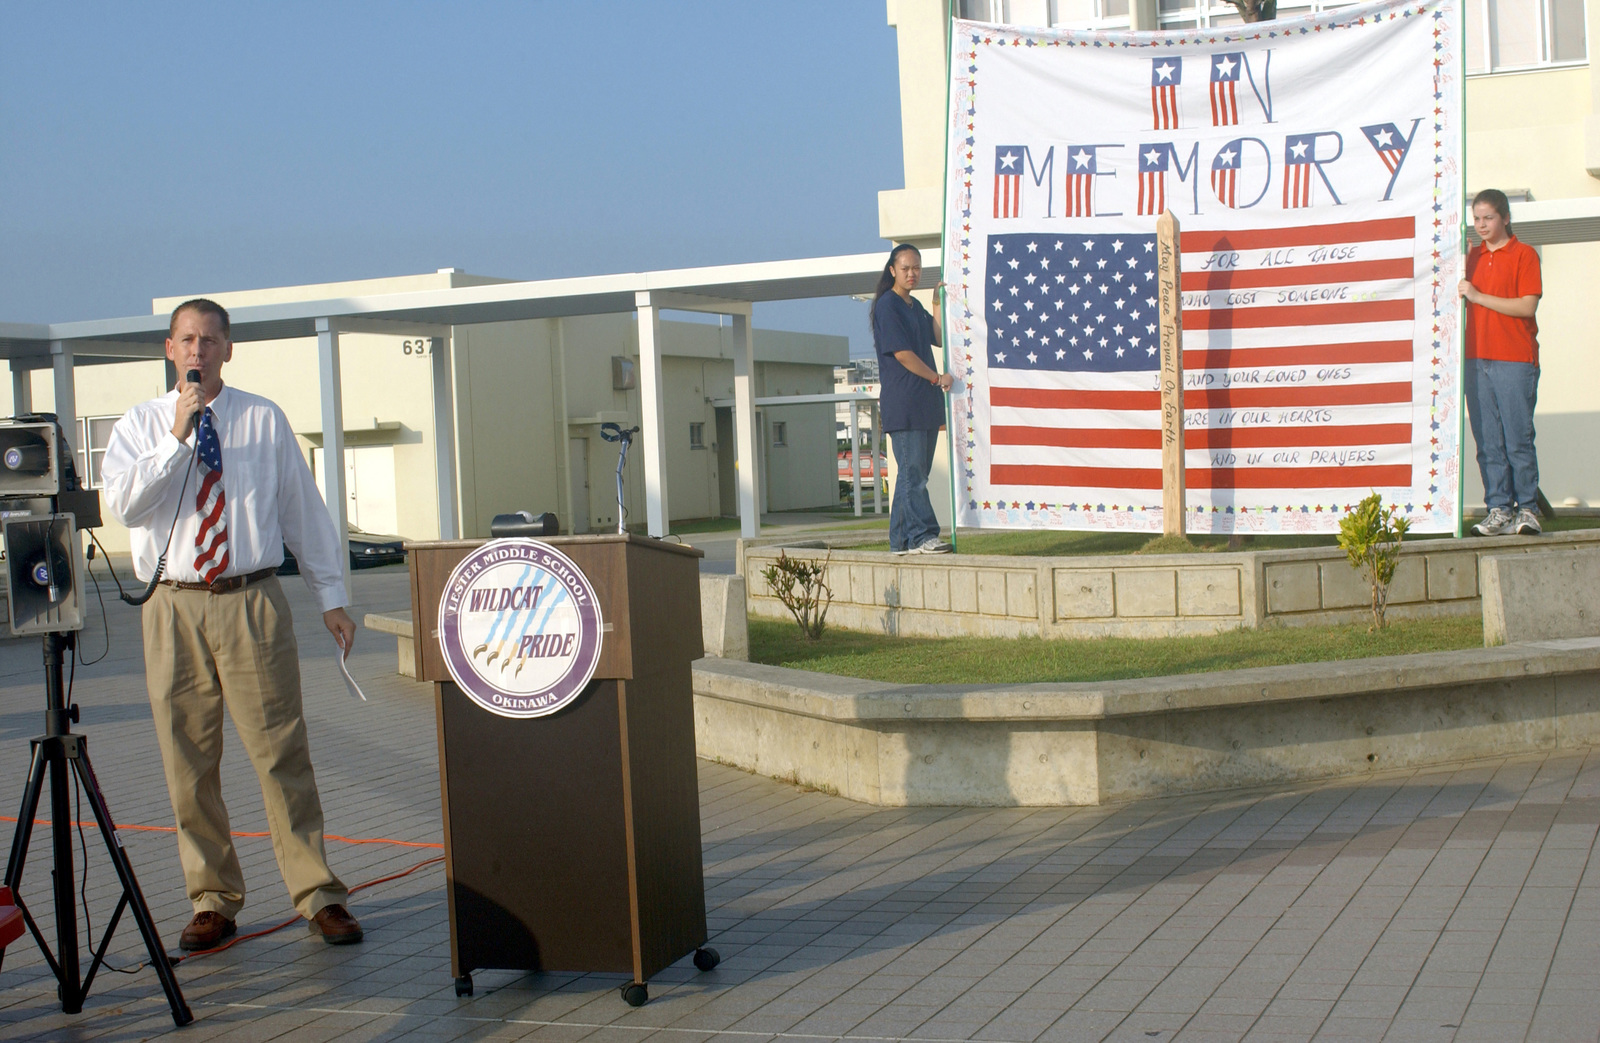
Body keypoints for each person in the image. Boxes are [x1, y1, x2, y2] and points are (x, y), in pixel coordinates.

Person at [101, 299, 364, 951]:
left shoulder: (263, 419)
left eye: (210, 340)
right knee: (187, 758)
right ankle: (211, 897)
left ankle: (319, 893)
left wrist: (330, 594)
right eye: (187, 339)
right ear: (169, 349)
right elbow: (127, 505)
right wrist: (176, 438)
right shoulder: (141, 425)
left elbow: (303, 509)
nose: (198, 350)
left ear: (228, 349)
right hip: (174, 603)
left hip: (251, 598)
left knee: (281, 751)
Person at [1458, 189, 1543, 537]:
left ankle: (1528, 509)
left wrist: (1477, 296)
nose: (1481, 225)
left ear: (1505, 218)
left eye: (1488, 218)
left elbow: (1527, 306)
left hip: (1515, 359)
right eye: (1476, 219)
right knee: (1487, 441)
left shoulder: (1524, 255)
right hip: (1476, 359)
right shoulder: (1470, 257)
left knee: (1517, 439)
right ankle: (1498, 508)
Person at [872, 243, 956, 554]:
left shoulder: (913, 306)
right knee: (914, 477)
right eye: (906, 268)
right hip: (904, 405)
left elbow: (936, 336)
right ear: (892, 270)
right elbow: (903, 355)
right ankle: (922, 536)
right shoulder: (888, 306)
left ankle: (900, 542)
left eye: (916, 268)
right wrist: (936, 378)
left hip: (925, 405)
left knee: (912, 476)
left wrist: (937, 302)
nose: (912, 273)